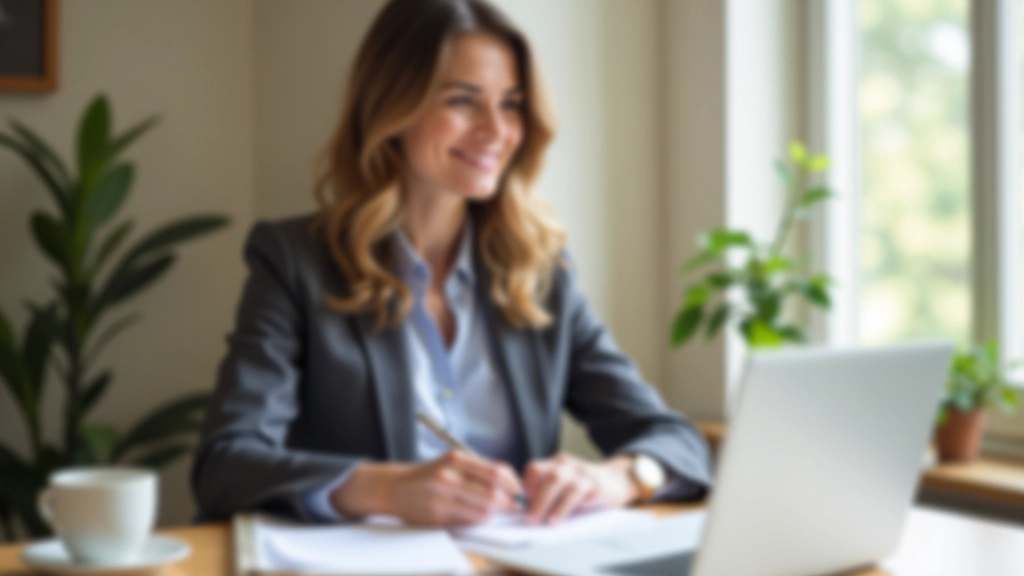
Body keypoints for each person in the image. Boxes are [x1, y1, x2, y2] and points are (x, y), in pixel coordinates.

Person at [191, 0, 711, 528]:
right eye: (463, 101)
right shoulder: (294, 263)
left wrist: (615, 478)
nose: (496, 129)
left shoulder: (538, 270)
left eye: (511, 104)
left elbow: (677, 441)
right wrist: (384, 488)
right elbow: (225, 465)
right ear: (392, 108)